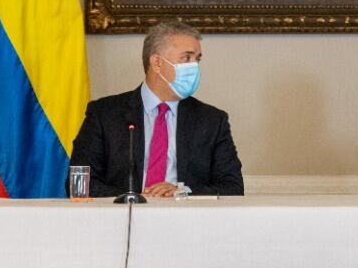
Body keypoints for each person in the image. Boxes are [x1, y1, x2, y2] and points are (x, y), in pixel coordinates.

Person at [70, 21, 244, 197]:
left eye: (197, 59)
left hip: (187, 220)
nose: (195, 67)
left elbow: (233, 187)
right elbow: (79, 185)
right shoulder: (104, 114)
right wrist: (134, 198)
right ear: (157, 63)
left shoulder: (212, 120)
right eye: (187, 58)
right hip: (122, 219)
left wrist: (183, 192)